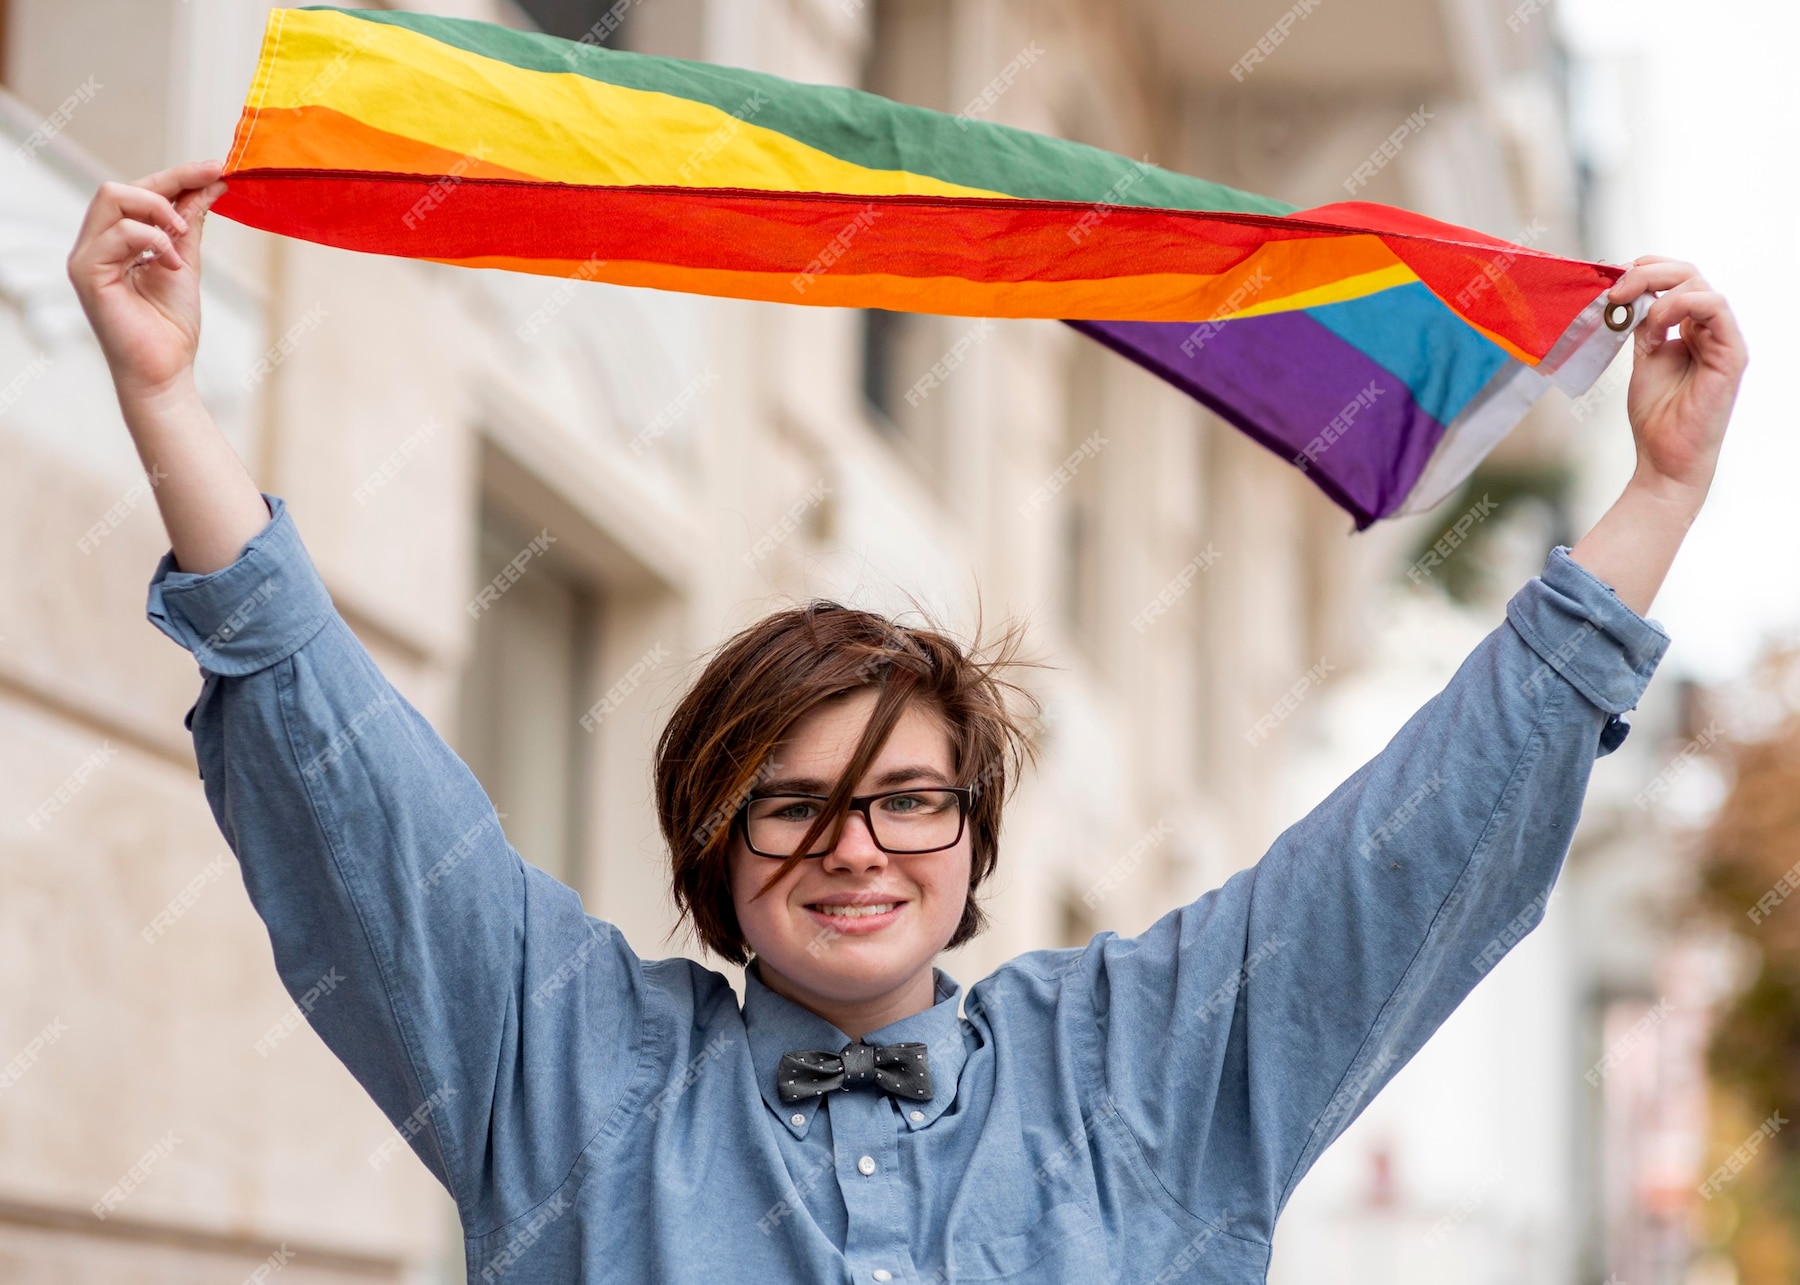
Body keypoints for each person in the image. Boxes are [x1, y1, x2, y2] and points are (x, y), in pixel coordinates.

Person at [69, 158, 1746, 1283]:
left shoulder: (1144, 1072)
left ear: (974, 840)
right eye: (789, 805)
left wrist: (1656, 496)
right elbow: (351, 785)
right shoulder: (573, 1073)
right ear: (713, 857)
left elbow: (1410, 848)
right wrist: (163, 396)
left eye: (910, 799)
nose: (855, 846)